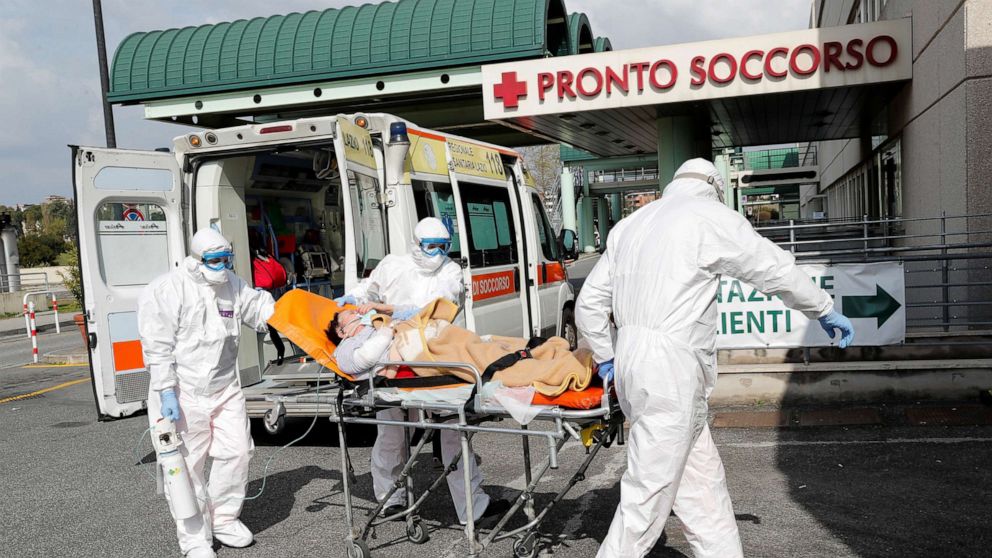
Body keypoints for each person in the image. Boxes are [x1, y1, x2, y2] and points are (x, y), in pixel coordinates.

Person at [576, 158, 855, 558]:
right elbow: (771, 267)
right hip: (672, 368)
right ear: (714, 185)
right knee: (645, 496)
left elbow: (589, 303)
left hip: (632, 360)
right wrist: (822, 307)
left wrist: (605, 358)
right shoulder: (709, 216)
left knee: (702, 488)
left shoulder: (632, 225)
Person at [334, 217, 508, 526]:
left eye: (443, 247)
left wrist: (387, 311)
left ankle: (474, 507)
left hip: (433, 357)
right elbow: (368, 290)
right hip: (394, 360)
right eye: (431, 247)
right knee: (391, 434)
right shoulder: (392, 265)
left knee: (455, 434)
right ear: (416, 244)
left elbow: (432, 310)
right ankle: (390, 499)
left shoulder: (451, 272)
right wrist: (355, 300)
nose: (437, 253)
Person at [138, 228, 276, 558]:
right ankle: (194, 539)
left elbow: (258, 308)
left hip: (224, 388)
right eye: (215, 260)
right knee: (186, 467)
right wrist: (165, 391)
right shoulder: (167, 290)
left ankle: (224, 517)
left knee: (238, 452)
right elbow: (157, 347)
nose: (222, 266)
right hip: (182, 392)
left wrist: (293, 313)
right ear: (196, 260)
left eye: (226, 259)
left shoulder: (232, 284)